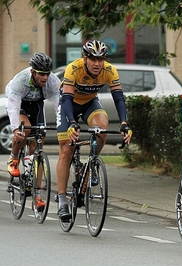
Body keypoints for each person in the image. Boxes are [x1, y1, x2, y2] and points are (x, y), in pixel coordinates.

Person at [56, 40, 132, 221]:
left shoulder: (109, 70)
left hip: (90, 103)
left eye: (101, 59)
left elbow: (119, 99)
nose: (97, 63)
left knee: (102, 127)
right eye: (93, 59)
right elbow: (66, 99)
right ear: (85, 58)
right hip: (69, 105)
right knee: (67, 149)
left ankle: (91, 164)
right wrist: (73, 122)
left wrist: (124, 123)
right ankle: (61, 200)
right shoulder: (73, 69)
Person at [6, 52, 60, 207]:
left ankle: (36, 193)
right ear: (33, 72)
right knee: (25, 130)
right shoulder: (20, 81)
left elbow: (59, 107)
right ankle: (14, 157)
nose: (45, 78)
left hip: (36, 105)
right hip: (19, 104)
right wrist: (16, 129)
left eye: (47, 74)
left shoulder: (53, 82)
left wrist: (63, 126)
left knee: (39, 143)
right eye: (42, 74)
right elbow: (13, 107)